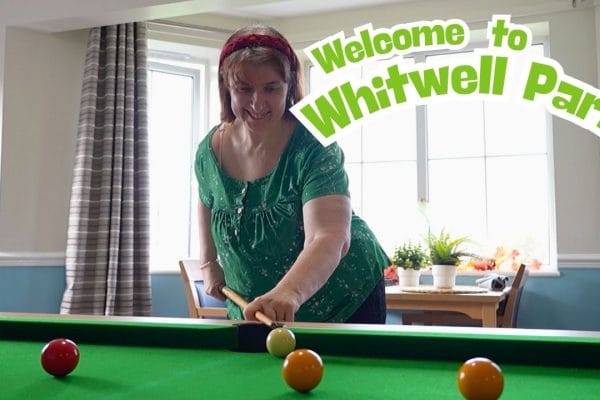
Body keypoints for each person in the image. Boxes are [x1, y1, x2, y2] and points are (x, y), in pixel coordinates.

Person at [194, 24, 390, 324]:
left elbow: (329, 235)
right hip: (256, 308)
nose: (257, 102)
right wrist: (208, 262)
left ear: (289, 88)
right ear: (226, 87)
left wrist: (289, 293)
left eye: (271, 88)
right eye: (244, 89)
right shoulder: (210, 151)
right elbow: (207, 200)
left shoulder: (314, 144)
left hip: (344, 299)